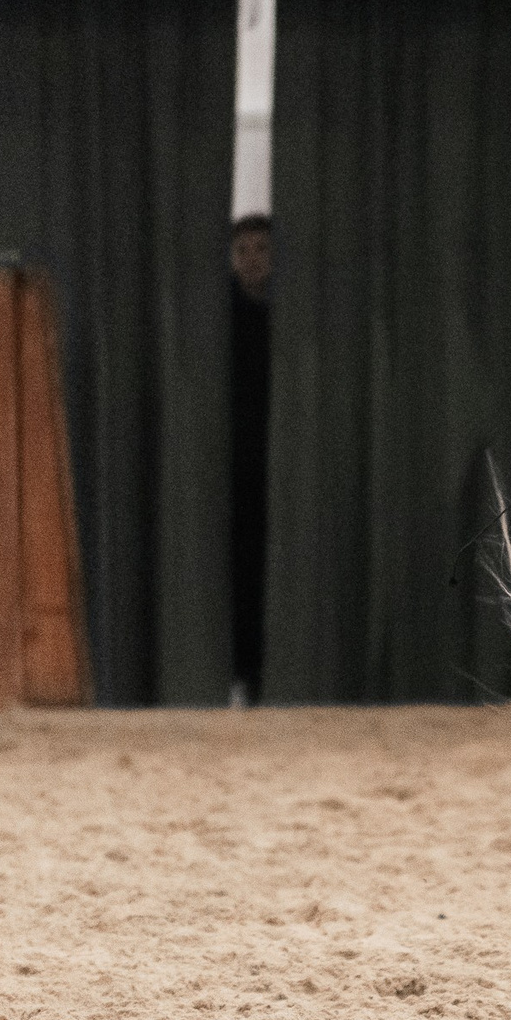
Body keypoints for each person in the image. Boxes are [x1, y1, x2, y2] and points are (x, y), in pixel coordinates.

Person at [228, 213, 273, 705]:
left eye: (262, 250)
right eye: (243, 252)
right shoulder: (222, 318)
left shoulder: (295, 316)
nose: (253, 262)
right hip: (238, 466)